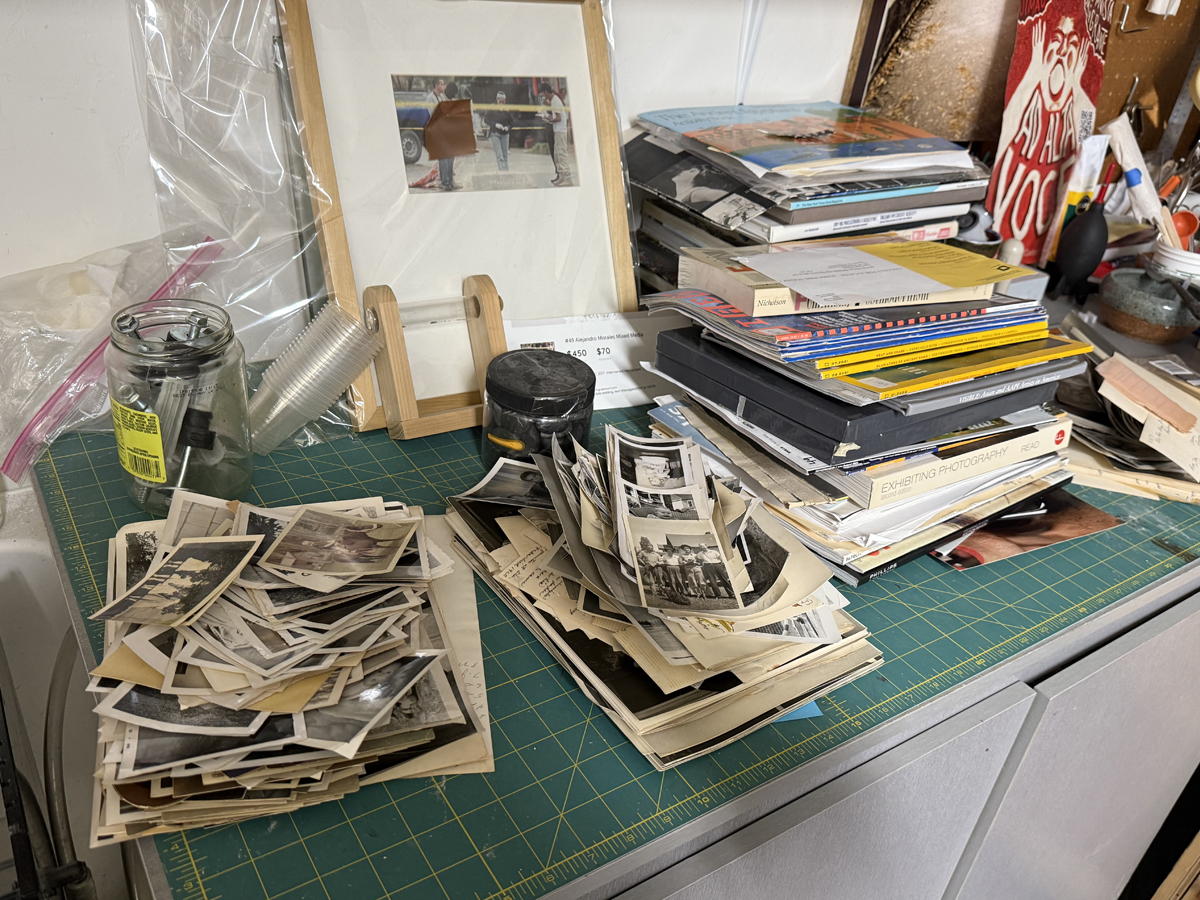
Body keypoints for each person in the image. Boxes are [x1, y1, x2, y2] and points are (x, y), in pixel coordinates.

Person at [538, 82, 571, 186]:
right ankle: (562, 176)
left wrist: (549, 120)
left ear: (546, 92)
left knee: (561, 154)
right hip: (558, 130)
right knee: (557, 154)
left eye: (544, 94)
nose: (544, 96)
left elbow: (558, 118)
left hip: (560, 131)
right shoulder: (554, 100)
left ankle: (567, 177)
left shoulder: (555, 101)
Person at [484, 91, 513, 172]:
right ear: (497, 99)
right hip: (495, 133)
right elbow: (486, 120)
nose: (501, 103)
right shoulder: (492, 108)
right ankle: (502, 171)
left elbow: (511, 122)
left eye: (503, 102)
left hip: (505, 134)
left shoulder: (507, 109)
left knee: (505, 155)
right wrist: (495, 124)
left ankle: (506, 171)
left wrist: (508, 127)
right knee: (499, 155)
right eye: (500, 101)